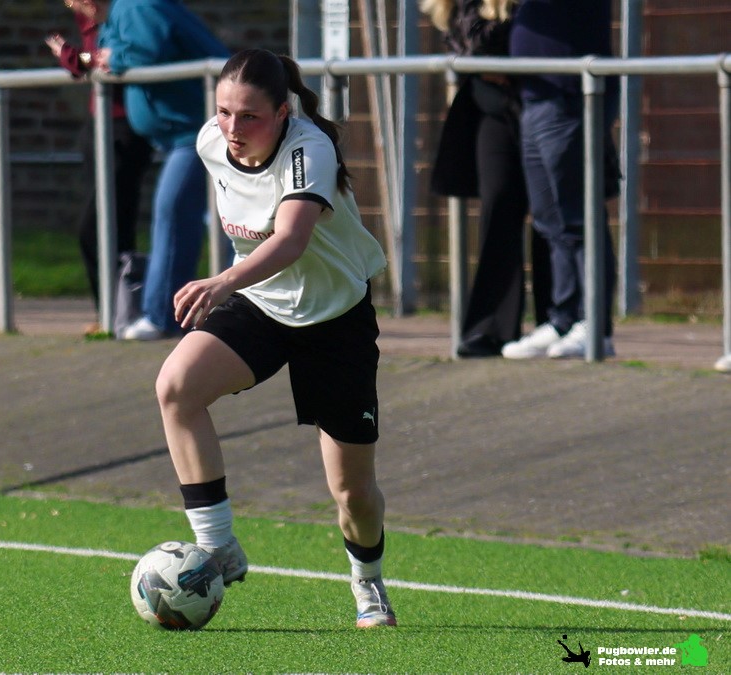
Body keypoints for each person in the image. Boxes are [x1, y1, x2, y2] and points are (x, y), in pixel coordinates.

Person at [153, 48, 396, 628]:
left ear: (283, 112)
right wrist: (233, 285)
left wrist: (221, 281)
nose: (232, 129)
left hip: (335, 320)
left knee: (353, 493)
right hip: (261, 303)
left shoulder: (309, 150)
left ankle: (367, 579)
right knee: (176, 387)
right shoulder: (211, 141)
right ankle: (218, 545)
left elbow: (290, 239)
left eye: (250, 117)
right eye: (223, 112)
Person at [423, 0, 551, 358]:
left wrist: (503, 58)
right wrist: (496, 57)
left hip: (542, 103)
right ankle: (492, 329)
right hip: (493, 110)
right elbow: (474, 42)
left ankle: (556, 320)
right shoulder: (465, 7)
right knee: (499, 206)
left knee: (549, 212)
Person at [96, 0, 229, 340]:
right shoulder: (124, 10)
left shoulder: (137, 6)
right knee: (218, 222)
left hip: (198, 133)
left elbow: (147, 50)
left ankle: (163, 317)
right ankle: (223, 309)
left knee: (174, 210)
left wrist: (114, 59)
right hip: (185, 134)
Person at [503, 0, 620, 359]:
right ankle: (563, 318)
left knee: (578, 216)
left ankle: (595, 325)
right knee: (548, 218)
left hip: (568, 94)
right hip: (535, 96)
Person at [46, 0, 153, 334]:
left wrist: (75, 58)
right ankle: (116, 313)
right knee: (113, 228)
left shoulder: (124, 12)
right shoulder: (89, 17)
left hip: (124, 130)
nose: (74, 6)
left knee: (100, 229)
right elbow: (92, 59)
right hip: (99, 125)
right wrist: (79, 59)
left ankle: (120, 313)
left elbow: (110, 59)